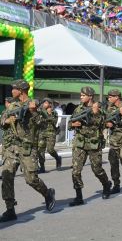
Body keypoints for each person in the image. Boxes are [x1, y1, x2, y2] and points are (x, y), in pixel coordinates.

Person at [0, 79, 56, 222]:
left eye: (14, 88)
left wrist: (34, 112)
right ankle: (10, 209)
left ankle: (47, 193)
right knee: (7, 177)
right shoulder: (12, 105)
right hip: (12, 147)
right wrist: (7, 121)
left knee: (31, 179)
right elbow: (2, 121)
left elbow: (43, 124)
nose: (12, 91)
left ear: (22, 90)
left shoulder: (34, 105)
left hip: (28, 147)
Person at [68, 86, 112, 206]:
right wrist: (73, 124)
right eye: (81, 95)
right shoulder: (78, 109)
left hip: (94, 143)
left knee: (97, 169)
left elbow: (104, 123)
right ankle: (79, 197)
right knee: (76, 171)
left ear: (90, 96)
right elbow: (69, 124)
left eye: (83, 95)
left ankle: (106, 185)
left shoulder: (100, 109)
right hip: (80, 143)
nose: (81, 97)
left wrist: (95, 113)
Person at [37, 98, 62, 173]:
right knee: (40, 150)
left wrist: (49, 114)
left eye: (46, 103)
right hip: (42, 133)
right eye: (44, 103)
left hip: (51, 133)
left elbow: (55, 121)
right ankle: (42, 167)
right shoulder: (40, 112)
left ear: (50, 104)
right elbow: (38, 121)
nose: (44, 104)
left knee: (50, 150)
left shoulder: (54, 112)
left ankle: (58, 158)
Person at [0, 97, 16, 180]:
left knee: (12, 157)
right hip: (6, 138)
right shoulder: (5, 112)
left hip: (15, 139)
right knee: (4, 157)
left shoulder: (16, 111)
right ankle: (4, 174)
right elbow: (1, 123)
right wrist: (6, 121)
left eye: (7, 102)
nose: (6, 104)